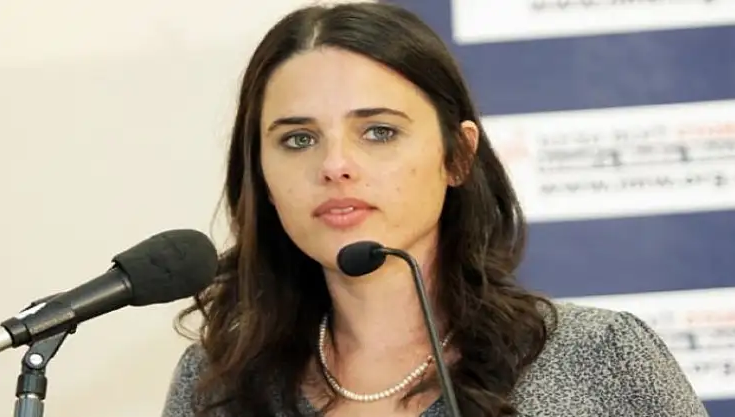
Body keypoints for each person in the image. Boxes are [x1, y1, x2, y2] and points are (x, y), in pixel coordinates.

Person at [160, 2, 709, 417]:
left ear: (458, 157)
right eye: (298, 139)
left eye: (379, 132)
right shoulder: (216, 386)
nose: (335, 165)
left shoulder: (597, 358)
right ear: (260, 176)